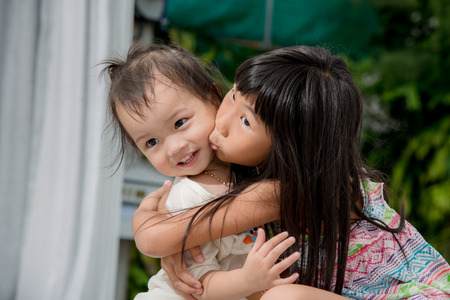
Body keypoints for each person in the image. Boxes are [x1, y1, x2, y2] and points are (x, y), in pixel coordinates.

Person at [133, 45, 450, 299]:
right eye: (233, 95)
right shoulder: (247, 169)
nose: (224, 120)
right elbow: (183, 224)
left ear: (290, 147)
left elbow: (153, 239)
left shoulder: (284, 191)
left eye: (246, 121)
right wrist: (177, 243)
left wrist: (151, 216)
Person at [101, 43, 300, 300]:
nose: (174, 148)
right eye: (151, 142)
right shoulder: (186, 198)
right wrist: (248, 280)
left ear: (213, 96)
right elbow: (199, 287)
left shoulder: (247, 168)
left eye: (180, 123)